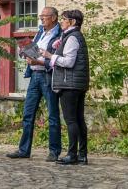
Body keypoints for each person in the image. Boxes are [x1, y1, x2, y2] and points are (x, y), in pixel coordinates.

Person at [6, 7, 62, 162]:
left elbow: (57, 59)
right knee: (28, 114)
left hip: (48, 76)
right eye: (41, 16)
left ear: (54, 18)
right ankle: (24, 150)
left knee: (53, 115)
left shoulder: (60, 35)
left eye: (44, 16)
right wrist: (25, 51)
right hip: (34, 76)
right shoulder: (40, 32)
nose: (41, 19)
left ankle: (54, 151)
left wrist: (38, 60)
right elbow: (34, 50)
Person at [41, 9, 90, 165]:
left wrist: (50, 56)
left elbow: (68, 62)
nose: (61, 21)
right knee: (79, 119)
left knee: (71, 120)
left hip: (69, 84)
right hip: (77, 84)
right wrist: (59, 45)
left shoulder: (73, 38)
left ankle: (72, 155)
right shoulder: (71, 37)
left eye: (64, 19)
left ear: (73, 22)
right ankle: (82, 155)